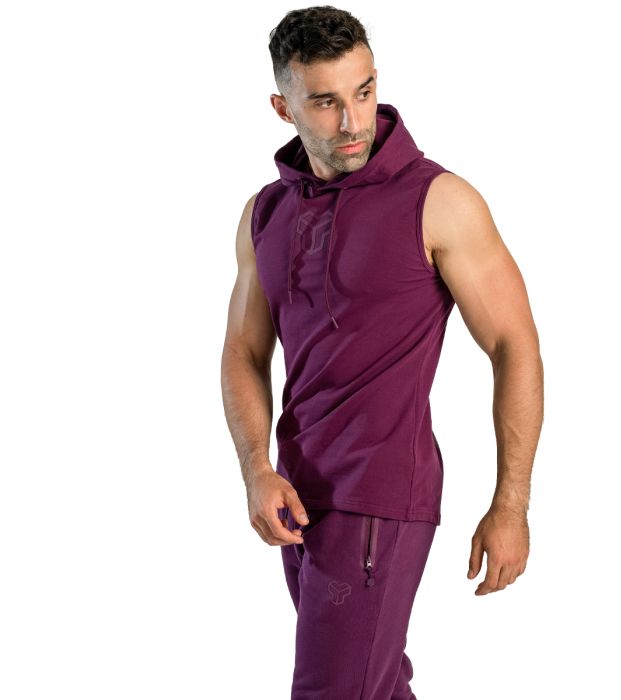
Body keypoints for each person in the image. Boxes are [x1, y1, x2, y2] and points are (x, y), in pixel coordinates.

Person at [221, 6, 544, 698]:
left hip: (380, 497)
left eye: (364, 92)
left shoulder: (438, 201)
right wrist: (256, 469)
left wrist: (511, 503)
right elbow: (244, 350)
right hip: (296, 500)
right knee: (375, 685)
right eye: (326, 102)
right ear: (283, 109)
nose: (353, 121)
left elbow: (513, 343)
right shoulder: (265, 213)